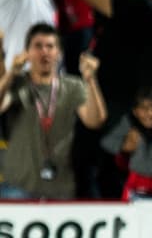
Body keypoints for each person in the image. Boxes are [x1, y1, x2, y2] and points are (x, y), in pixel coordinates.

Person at [0, 27, 107, 199]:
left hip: (60, 188)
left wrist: (90, 79)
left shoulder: (73, 86)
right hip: (17, 187)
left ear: (59, 53)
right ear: (27, 52)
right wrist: (11, 72)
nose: (45, 51)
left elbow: (95, 121)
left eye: (50, 46)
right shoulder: (17, 83)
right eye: (38, 46)